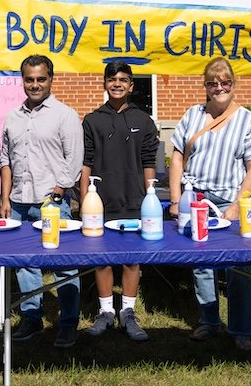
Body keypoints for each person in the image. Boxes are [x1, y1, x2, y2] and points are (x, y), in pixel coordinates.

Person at [168, 57, 251, 351]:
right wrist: (176, 199)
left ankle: (242, 329)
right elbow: (177, 158)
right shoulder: (192, 115)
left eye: (225, 82)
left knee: (239, 265)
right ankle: (208, 321)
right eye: (213, 83)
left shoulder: (247, 119)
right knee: (201, 264)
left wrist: (238, 206)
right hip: (195, 198)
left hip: (230, 199)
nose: (219, 88)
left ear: (233, 84)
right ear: (206, 86)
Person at [0, 55, 83, 348]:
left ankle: (69, 323)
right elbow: (5, 161)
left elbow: (73, 161)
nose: (35, 85)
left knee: (64, 265)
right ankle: (31, 318)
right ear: (22, 80)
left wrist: (58, 192)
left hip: (52, 202)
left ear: (51, 79)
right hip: (19, 201)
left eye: (41, 79)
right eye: (29, 79)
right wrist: (5, 198)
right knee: (25, 265)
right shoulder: (12, 117)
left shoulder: (65, 115)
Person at [79, 61, 157, 342]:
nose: (117, 84)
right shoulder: (91, 120)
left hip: (135, 199)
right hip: (99, 201)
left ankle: (128, 311)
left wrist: (151, 196)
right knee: (102, 260)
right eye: (112, 79)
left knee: (131, 260)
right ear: (104, 83)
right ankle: (105, 312)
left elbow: (149, 161)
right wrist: (84, 195)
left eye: (124, 79)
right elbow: (85, 162)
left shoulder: (144, 120)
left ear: (132, 85)